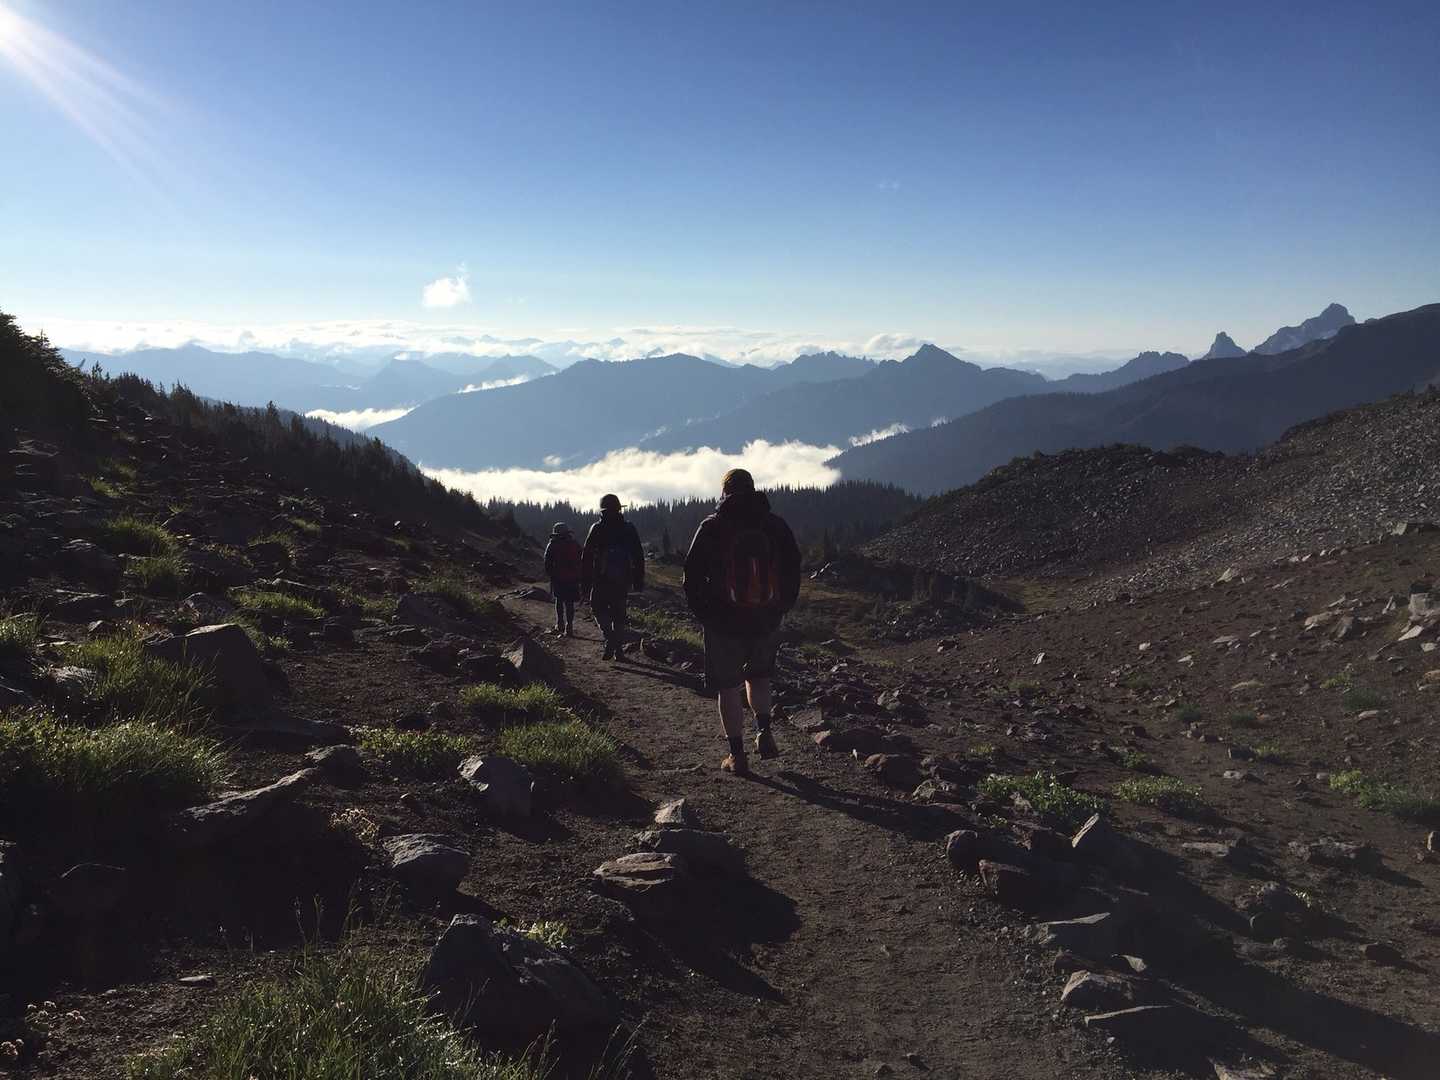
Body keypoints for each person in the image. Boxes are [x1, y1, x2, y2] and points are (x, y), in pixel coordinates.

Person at [683, 468, 801, 776]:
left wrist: (706, 615)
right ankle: (764, 732)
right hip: (765, 619)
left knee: (728, 688)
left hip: (723, 623)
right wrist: (780, 608)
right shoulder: (775, 525)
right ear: (752, 488)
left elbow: (691, 576)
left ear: (724, 492)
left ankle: (737, 755)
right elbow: (793, 567)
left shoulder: (712, 526)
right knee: (759, 678)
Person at [580, 493, 645, 660]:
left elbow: (586, 556)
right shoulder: (629, 528)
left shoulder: (597, 528)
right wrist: (638, 579)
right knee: (619, 614)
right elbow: (638, 555)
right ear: (619, 509)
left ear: (602, 510)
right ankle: (619, 651)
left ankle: (609, 637)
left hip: (600, 578)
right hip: (622, 579)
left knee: (597, 609)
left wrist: (585, 582)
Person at [542, 522, 582, 636]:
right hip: (573, 578)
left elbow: (547, 561)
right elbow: (582, 558)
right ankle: (569, 626)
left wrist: (551, 573)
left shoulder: (553, 544)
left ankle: (560, 624)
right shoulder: (574, 543)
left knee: (559, 600)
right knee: (569, 603)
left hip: (558, 577)